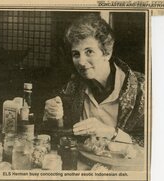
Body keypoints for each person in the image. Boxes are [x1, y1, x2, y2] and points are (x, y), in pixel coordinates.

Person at [44, 14, 145, 146]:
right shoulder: (72, 86)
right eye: (76, 54)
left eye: (89, 52)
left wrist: (111, 132)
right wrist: (55, 117)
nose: (81, 62)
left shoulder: (142, 89)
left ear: (107, 53)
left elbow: (156, 143)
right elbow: (60, 134)